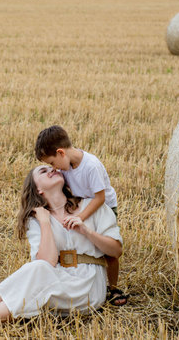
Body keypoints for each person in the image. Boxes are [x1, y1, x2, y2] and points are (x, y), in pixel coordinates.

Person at [0, 165, 123, 339]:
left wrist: (86, 231)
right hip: (58, 280)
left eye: (52, 168)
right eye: (43, 171)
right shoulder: (36, 220)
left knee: (31, 282)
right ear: (38, 189)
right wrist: (45, 221)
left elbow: (116, 250)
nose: (52, 170)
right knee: (34, 271)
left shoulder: (93, 207)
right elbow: (47, 261)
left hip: (88, 287)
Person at [35, 125, 129, 306]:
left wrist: (82, 217)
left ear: (61, 152)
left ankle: (114, 287)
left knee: (108, 252)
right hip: (83, 206)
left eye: (52, 163)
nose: (54, 169)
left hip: (103, 208)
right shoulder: (65, 166)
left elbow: (100, 198)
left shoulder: (91, 166)